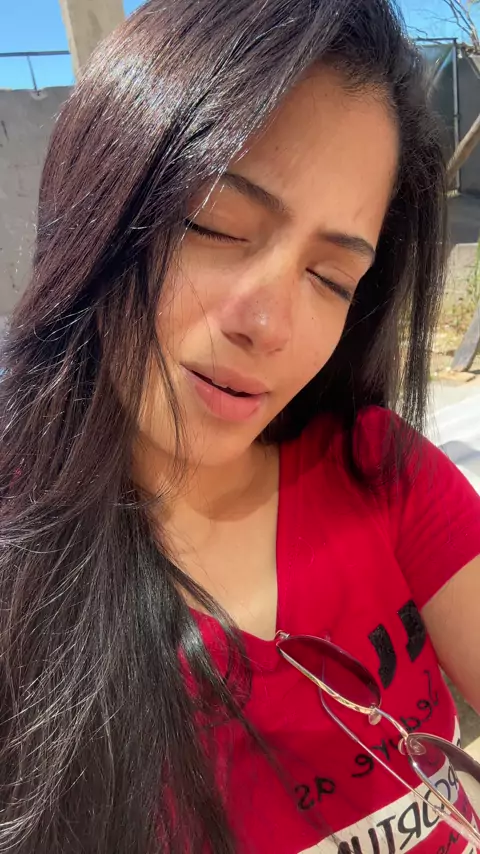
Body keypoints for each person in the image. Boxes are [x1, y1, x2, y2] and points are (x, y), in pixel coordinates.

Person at [1, 0, 480, 852]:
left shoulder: (378, 467)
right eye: (216, 225)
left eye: (330, 279)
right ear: (101, 198)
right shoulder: (21, 572)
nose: (270, 325)